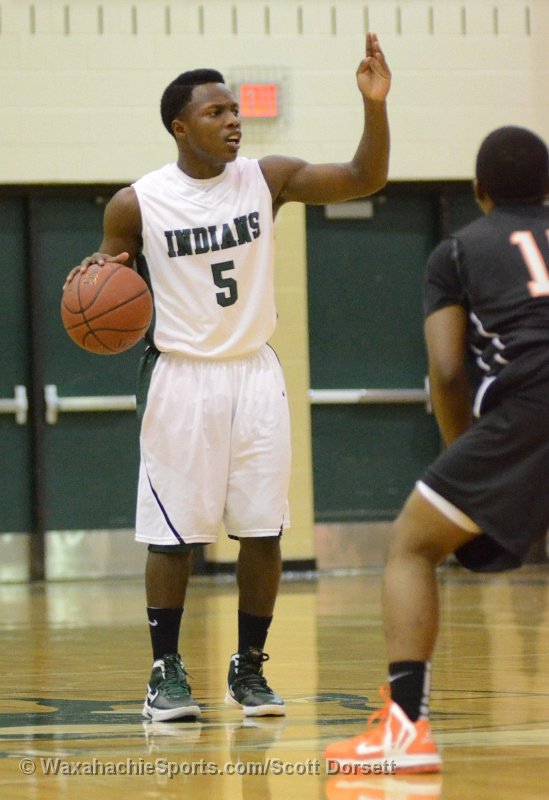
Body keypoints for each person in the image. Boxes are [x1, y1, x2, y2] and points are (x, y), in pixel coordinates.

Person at [66, 33, 391, 722]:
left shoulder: (267, 178)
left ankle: (250, 669)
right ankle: (165, 672)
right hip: (181, 376)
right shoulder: (137, 203)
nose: (233, 119)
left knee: (263, 531)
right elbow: (105, 276)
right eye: (216, 112)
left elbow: (364, 178)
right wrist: (94, 284)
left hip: (255, 373)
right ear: (180, 127)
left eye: (235, 109)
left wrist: (374, 105)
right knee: (173, 535)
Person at [325, 125, 549, 773]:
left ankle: (404, 730)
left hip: (529, 405)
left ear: (479, 191)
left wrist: (462, 454)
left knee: (412, 545)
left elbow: (448, 369)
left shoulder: (457, 250)